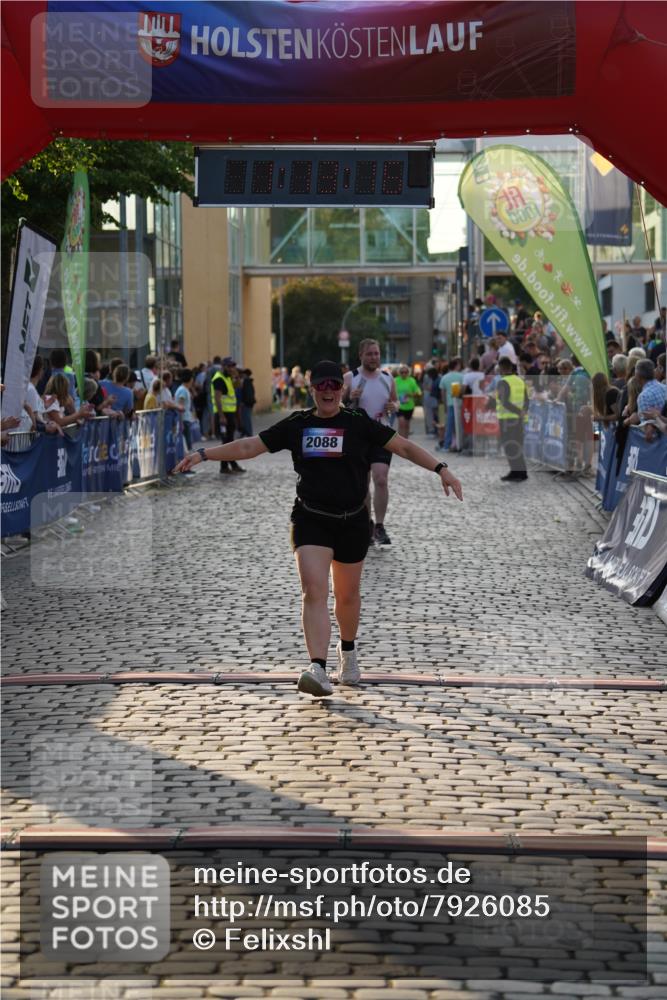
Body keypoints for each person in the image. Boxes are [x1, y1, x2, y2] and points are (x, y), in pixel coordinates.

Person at [175, 360, 463, 697]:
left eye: (333, 386)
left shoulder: (358, 423)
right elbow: (248, 446)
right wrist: (203, 454)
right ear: (311, 390)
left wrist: (442, 468)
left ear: (341, 390)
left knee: (347, 596)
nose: (328, 391)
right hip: (310, 518)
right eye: (321, 386)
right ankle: (317, 667)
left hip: (352, 520)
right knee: (313, 590)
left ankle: (349, 651)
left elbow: (403, 446)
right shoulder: (297, 424)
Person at [342, 339, 398, 546]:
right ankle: (366, 524)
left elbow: (395, 400)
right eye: (370, 354)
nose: (374, 358)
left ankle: (380, 526)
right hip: (357, 436)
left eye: (376, 354)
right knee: (362, 483)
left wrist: (394, 406)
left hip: (381, 433)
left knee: (381, 479)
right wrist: (349, 397)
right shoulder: (350, 377)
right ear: (361, 356)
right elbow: (338, 405)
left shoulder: (387, 377)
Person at [494, 356, 529, 481]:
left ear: (502, 368)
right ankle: (518, 472)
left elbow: (504, 402)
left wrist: (518, 411)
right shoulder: (520, 380)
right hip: (519, 419)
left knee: (510, 446)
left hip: (507, 419)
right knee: (517, 445)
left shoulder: (503, 382)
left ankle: (518, 473)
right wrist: (523, 411)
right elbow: (526, 400)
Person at [211, 356, 245, 474]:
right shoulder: (219, 379)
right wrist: (221, 416)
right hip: (223, 414)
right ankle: (225, 466)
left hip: (230, 413)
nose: (232, 368)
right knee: (226, 441)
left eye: (233, 366)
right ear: (224, 366)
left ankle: (230, 465)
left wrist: (236, 377)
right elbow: (217, 398)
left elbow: (238, 386)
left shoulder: (228, 377)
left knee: (229, 441)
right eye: (230, 366)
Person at [394, 364, 421, 438]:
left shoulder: (411, 380)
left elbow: (418, 392)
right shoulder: (396, 380)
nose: (404, 374)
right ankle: (400, 441)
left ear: (408, 372)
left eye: (406, 372)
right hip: (399, 405)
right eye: (402, 372)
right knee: (401, 423)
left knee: (406, 424)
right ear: (399, 372)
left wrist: (411, 394)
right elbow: (391, 391)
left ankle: (406, 440)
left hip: (409, 406)